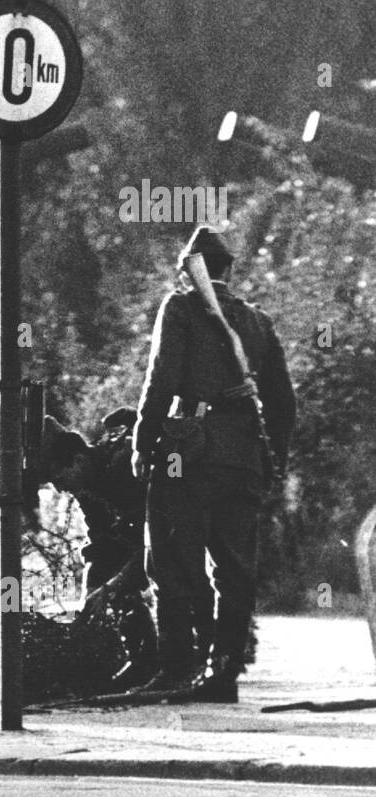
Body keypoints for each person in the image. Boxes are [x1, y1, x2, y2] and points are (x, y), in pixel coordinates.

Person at [131, 226, 296, 702]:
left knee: (173, 559)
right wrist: (275, 462)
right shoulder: (258, 322)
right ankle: (223, 674)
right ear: (228, 270)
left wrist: (144, 440)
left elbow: (160, 379)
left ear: (189, 270)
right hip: (243, 458)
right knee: (236, 571)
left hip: (187, 454)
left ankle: (178, 669)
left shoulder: (181, 307)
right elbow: (283, 403)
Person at [42, 408, 165, 688]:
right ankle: (144, 662)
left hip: (181, 522)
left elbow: (156, 541)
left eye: (61, 479)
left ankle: (185, 663)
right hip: (152, 535)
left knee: (173, 582)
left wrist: (113, 586)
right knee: (109, 582)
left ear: (78, 460)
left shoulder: (124, 468)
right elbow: (101, 544)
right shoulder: (86, 485)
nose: (62, 490)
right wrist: (91, 593)